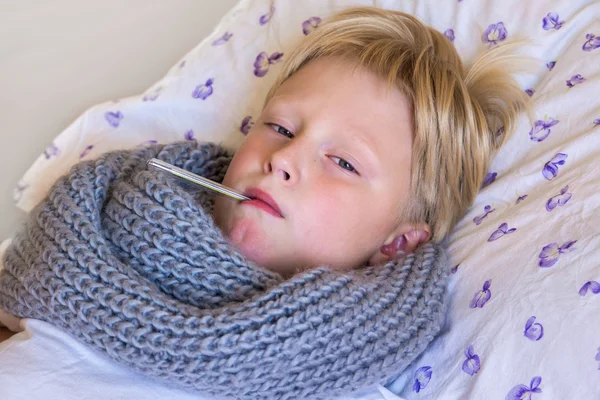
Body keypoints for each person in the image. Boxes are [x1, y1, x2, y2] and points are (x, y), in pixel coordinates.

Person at [0, 6, 528, 400]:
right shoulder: (68, 265)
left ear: (396, 244)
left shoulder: (343, 384)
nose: (284, 158)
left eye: (342, 162)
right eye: (278, 127)